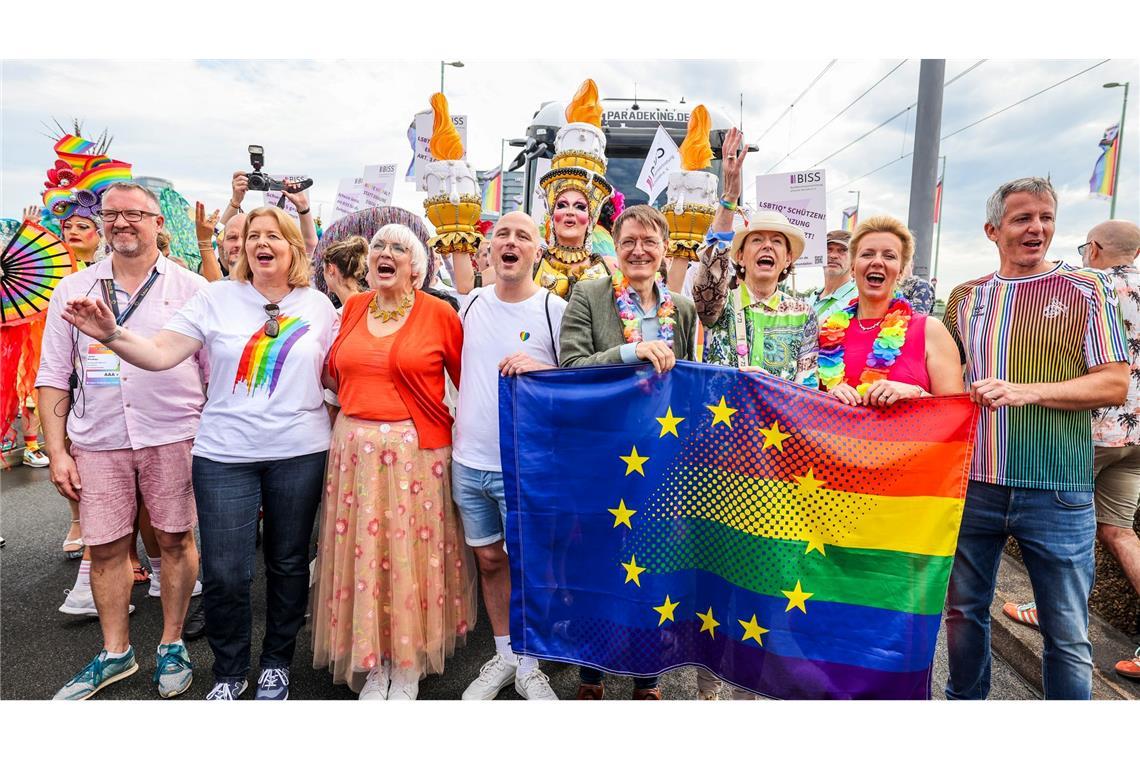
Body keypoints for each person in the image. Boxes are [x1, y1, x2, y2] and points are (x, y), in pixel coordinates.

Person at [62, 205, 339, 700]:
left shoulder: (318, 305)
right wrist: (111, 334)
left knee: (289, 563)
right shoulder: (215, 298)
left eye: (273, 235)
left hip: (299, 453)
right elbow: (162, 353)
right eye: (253, 235)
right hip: (224, 454)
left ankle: (277, 661)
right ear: (243, 247)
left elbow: (340, 376)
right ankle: (230, 671)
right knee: (228, 571)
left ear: (293, 246)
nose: (261, 244)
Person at [941, 177, 1129, 700]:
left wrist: (1028, 391)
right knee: (961, 614)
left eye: (1046, 217)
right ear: (992, 229)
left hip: (1058, 490)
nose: (1037, 228)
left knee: (1066, 633)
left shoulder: (1087, 289)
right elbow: (946, 380)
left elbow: (1114, 382)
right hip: (973, 485)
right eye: (1023, 218)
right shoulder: (965, 297)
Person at [39, 182, 208, 700]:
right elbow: (52, 374)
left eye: (136, 214)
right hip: (100, 439)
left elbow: (212, 372)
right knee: (106, 547)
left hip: (172, 434)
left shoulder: (192, 288)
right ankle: (116, 653)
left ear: (159, 224)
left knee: (176, 540)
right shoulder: (73, 291)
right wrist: (57, 450)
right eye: (112, 214)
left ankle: (172, 642)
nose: (122, 223)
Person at [312, 223, 476, 701]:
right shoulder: (353, 308)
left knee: (408, 561)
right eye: (379, 246)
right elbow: (332, 375)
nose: (386, 254)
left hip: (415, 455)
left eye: (398, 248)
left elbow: (469, 385)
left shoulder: (439, 313)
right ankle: (373, 661)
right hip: (354, 453)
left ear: (417, 267)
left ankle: (406, 666)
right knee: (365, 559)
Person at [559, 204, 697, 699]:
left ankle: (646, 676)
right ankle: (592, 671)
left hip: (660, 459)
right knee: (596, 559)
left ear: (664, 250)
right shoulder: (589, 294)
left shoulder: (681, 308)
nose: (639, 250)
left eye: (649, 242)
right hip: (602, 454)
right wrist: (628, 353)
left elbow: (688, 383)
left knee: (652, 563)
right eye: (629, 242)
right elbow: (570, 364)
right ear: (615, 249)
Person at [1000, 219, 1140, 682]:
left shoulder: (1090, 284)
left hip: (1089, 429)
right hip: (1138, 438)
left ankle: (1049, 609)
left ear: (1095, 249)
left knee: (1057, 528)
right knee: (1119, 531)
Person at [449, 212, 563, 700]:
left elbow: (579, 377)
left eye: (523, 236)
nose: (511, 242)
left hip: (527, 466)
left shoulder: (554, 310)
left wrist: (542, 369)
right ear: (489, 250)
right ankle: (504, 654)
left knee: (530, 565)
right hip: (468, 461)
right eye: (503, 235)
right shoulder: (469, 303)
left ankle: (531, 663)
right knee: (490, 561)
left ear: (539, 251)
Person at [691, 128, 818, 387]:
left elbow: (809, 385)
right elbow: (710, 268)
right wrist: (729, 198)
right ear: (739, 255)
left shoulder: (803, 314)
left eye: (777, 242)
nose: (767, 247)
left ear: (788, 259)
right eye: (757, 240)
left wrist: (769, 386)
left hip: (777, 426)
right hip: (722, 426)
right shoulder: (719, 303)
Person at [820, 215, 963, 405]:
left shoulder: (930, 330)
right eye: (867, 254)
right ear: (853, 267)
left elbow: (956, 412)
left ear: (902, 271)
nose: (877, 262)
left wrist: (916, 393)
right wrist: (823, 397)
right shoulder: (824, 329)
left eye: (889, 256)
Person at [806, 229, 858, 320]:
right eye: (828, 249)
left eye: (842, 250)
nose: (833, 255)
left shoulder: (858, 299)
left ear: (853, 258)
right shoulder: (814, 295)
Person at [321, 235, 368, 309]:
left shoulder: (340, 314)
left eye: (323, 269)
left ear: (330, 269)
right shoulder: (370, 303)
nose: (323, 274)